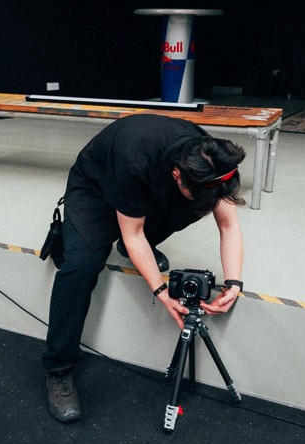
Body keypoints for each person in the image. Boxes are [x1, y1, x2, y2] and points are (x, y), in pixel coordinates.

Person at [42, 113, 246, 422]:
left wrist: (234, 282)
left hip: (144, 192)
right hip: (95, 190)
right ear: (177, 175)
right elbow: (133, 233)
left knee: (192, 206)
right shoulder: (133, 158)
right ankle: (58, 369)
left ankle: (135, 250)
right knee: (82, 265)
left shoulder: (212, 159)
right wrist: (161, 292)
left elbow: (228, 226)